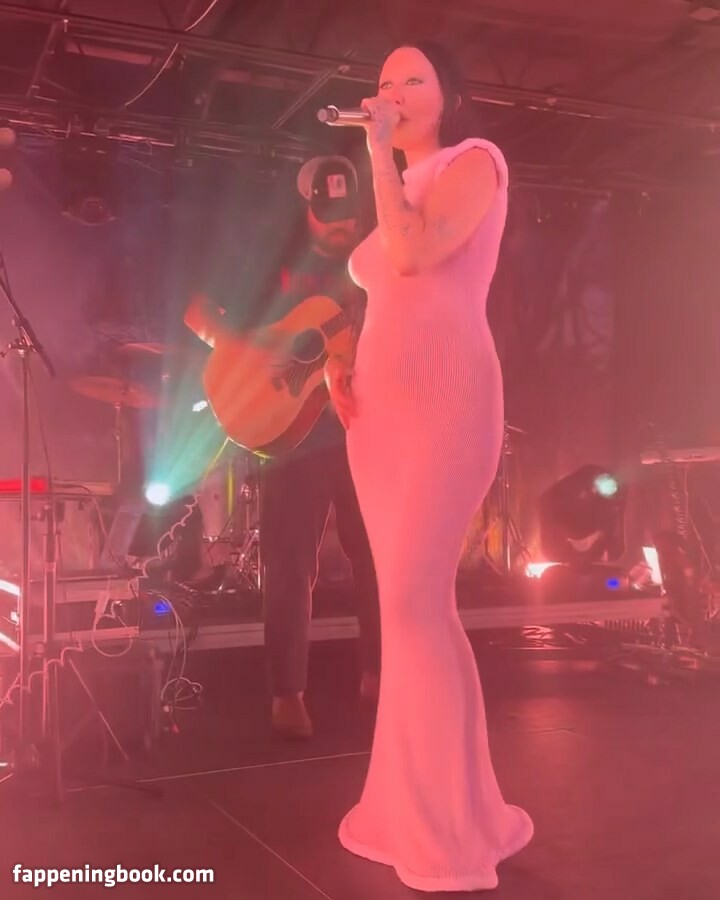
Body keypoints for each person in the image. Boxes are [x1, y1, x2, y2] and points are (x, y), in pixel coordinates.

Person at [324, 42, 533, 891]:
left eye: (413, 78)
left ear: (451, 95)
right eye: (383, 82)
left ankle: (450, 834)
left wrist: (377, 149)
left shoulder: (474, 161)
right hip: (378, 418)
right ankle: (429, 809)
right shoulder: (400, 190)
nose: (394, 92)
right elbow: (390, 289)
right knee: (415, 612)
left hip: (447, 401)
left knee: (413, 609)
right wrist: (341, 357)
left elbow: (415, 260)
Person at [187, 156, 381, 739]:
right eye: (329, 215)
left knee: (379, 558)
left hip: (367, 428)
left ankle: (380, 675)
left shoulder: (376, 263)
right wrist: (252, 347)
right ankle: (287, 693)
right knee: (291, 565)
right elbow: (197, 312)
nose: (342, 226)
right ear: (307, 210)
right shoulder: (272, 261)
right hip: (295, 438)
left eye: (349, 215)